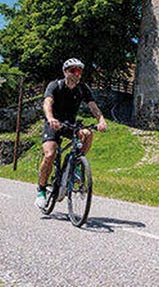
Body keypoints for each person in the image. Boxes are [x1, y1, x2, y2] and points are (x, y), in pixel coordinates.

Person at [36, 58, 107, 207]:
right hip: (54, 123)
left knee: (88, 134)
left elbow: (93, 107)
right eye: (73, 70)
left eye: (79, 71)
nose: (76, 74)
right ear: (65, 72)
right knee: (50, 155)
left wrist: (101, 120)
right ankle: (41, 190)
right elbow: (47, 103)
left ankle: (75, 164)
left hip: (70, 124)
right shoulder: (55, 85)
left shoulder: (82, 88)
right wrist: (50, 118)